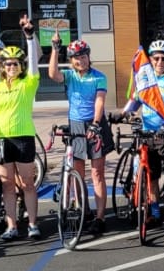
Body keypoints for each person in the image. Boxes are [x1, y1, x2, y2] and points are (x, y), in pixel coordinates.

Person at [0, 16, 44, 241]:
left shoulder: (28, 83)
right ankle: (11, 226)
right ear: (2, 67)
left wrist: (29, 36)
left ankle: (33, 225)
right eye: (7, 63)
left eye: (16, 63)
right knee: (7, 186)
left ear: (21, 66)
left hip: (24, 138)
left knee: (27, 184)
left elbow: (34, 61)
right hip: (2, 139)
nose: (11, 66)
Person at [48, 35, 115, 234]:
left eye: (83, 56)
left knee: (97, 173)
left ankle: (100, 217)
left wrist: (95, 124)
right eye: (76, 57)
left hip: (94, 123)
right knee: (77, 172)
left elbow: (99, 102)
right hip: (75, 124)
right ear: (71, 60)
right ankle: (83, 209)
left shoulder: (99, 76)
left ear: (88, 56)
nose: (80, 60)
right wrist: (54, 48)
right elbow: (52, 74)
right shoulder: (69, 75)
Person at [123, 39, 164, 225]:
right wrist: (123, 114)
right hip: (147, 134)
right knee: (152, 176)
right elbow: (135, 101)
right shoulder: (144, 78)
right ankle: (154, 212)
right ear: (150, 59)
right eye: (156, 58)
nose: (159, 62)